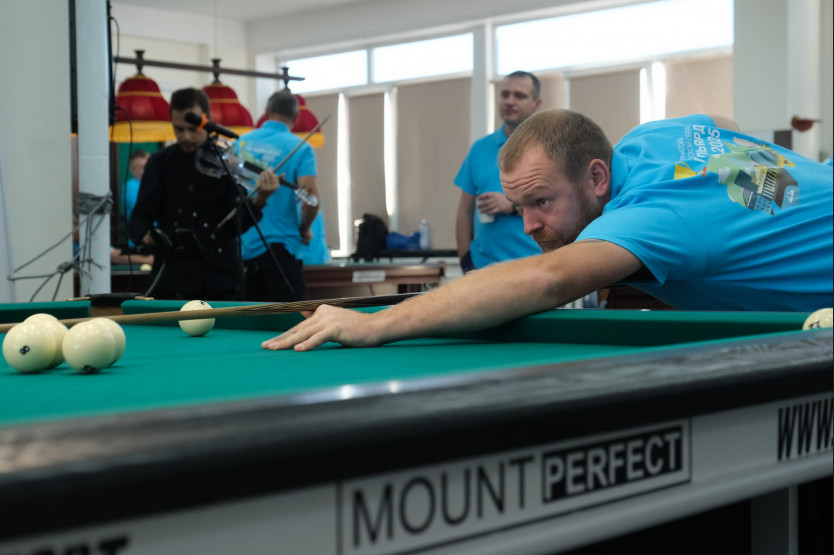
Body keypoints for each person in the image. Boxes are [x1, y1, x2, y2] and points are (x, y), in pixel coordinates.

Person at [263, 109, 833, 352]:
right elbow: (721, 124)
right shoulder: (651, 139)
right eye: (520, 206)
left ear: (597, 177)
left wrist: (376, 324)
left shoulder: (655, 218)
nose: (530, 225)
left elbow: (545, 280)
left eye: (541, 202)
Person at [128, 87, 279, 301]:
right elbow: (138, 218)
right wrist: (145, 235)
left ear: (207, 121)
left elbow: (237, 225)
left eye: (193, 129)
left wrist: (260, 199)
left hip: (222, 282)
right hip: (174, 279)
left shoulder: (226, 162)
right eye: (179, 129)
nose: (186, 137)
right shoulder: (159, 163)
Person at [234, 89, 319, 301]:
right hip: (282, 254)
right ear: (296, 117)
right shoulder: (301, 148)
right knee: (289, 321)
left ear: (266, 112)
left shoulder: (240, 143)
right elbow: (311, 199)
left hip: (242, 254)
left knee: (245, 321)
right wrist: (305, 228)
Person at [454, 70, 543, 273]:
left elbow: (557, 207)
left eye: (519, 96)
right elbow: (465, 211)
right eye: (505, 94)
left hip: (534, 268)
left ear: (536, 104)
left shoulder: (548, 150)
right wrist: (466, 262)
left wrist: (512, 205)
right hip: (482, 268)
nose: (510, 101)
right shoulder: (479, 149)